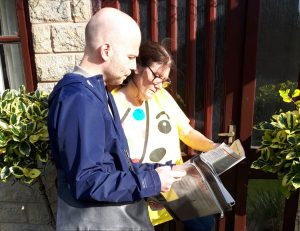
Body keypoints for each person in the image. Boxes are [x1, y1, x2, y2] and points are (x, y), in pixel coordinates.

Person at [47, 8, 186, 231]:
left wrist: (157, 172)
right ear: (106, 50)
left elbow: (109, 164)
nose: (133, 66)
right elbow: (87, 181)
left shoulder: (95, 91)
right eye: (131, 57)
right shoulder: (79, 98)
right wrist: (151, 181)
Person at [112, 41, 217, 231]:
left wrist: (214, 148)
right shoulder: (113, 104)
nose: (159, 84)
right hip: (141, 191)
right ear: (137, 66)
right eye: (156, 75)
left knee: (206, 224)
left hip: (175, 185)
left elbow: (187, 132)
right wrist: (149, 190)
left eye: (165, 79)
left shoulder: (162, 97)